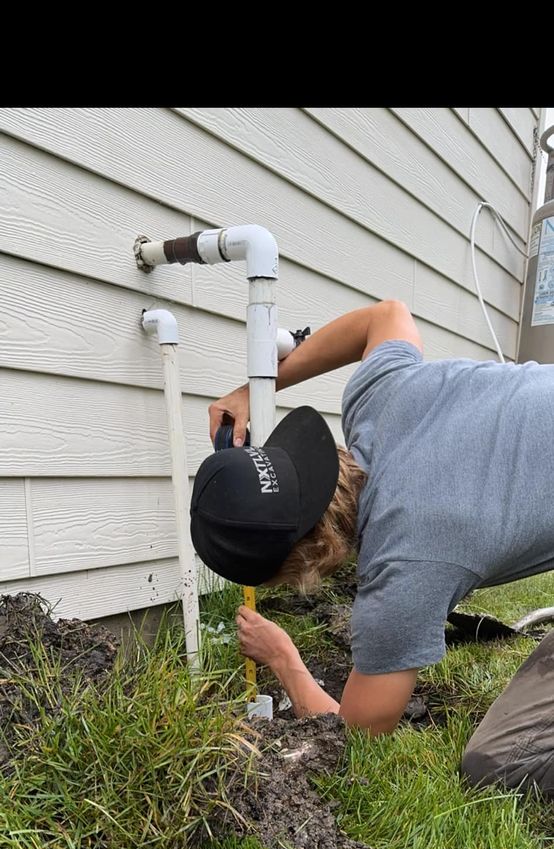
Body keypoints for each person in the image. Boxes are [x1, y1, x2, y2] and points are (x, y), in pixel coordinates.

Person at [190, 301, 554, 798]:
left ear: (306, 560)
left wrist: (283, 659)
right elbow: (385, 315)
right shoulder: (379, 395)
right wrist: (252, 388)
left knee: (499, 763)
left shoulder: (405, 567)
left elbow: (355, 733)